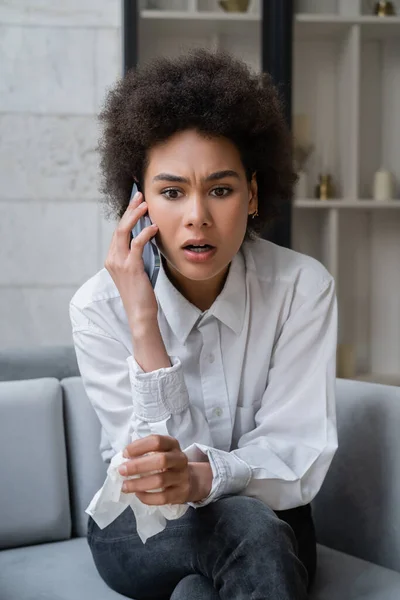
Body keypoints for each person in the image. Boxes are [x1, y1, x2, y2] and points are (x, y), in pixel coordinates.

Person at [69, 48, 338, 600]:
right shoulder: (99, 308)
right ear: (137, 204)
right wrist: (145, 325)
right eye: (172, 192)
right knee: (245, 530)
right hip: (140, 531)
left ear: (254, 193)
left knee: (206, 581)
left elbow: (296, 452)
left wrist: (201, 477)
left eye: (220, 189)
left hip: (272, 520)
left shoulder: (302, 290)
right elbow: (154, 491)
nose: (197, 216)